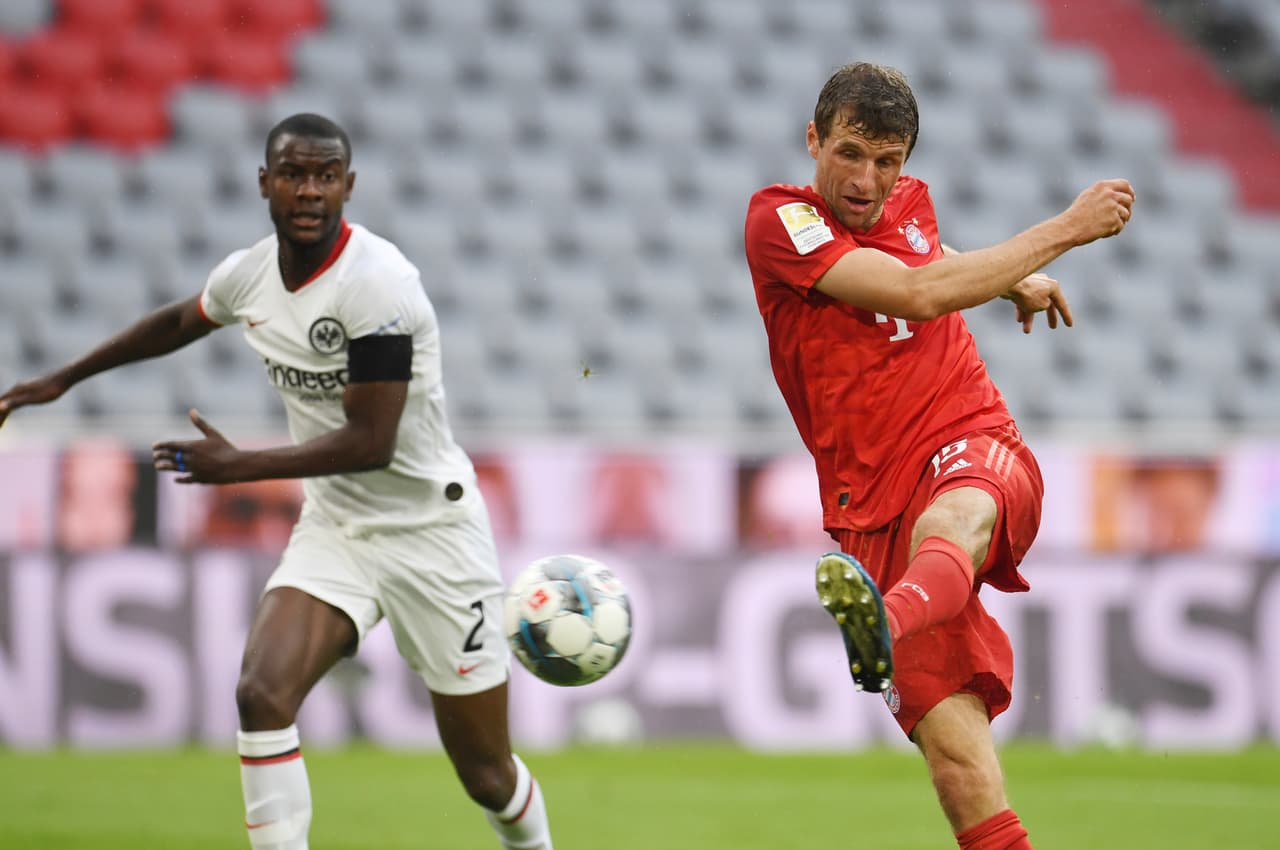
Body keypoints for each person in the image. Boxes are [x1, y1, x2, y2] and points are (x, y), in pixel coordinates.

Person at [0, 113, 553, 850]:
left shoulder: (378, 285)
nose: (309, 190)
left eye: (326, 176)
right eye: (293, 174)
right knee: (261, 694)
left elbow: (372, 443)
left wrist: (241, 467)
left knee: (485, 774)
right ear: (265, 183)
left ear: (348, 187)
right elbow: (179, 321)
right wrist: (63, 380)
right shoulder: (249, 275)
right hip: (337, 528)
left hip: (433, 532)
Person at [743, 64, 1134, 850]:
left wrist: (1011, 278)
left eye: (888, 162)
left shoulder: (905, 204)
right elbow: (914, 289)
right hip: (868, 505)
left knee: (952, 518)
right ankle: (890, 616)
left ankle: (882, 622)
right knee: (960, 771)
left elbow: (919, 249)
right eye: (850, 154)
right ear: (813, 139)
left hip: (970, 438)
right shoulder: (780, 221)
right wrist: (1063, 230)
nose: (867, 180)